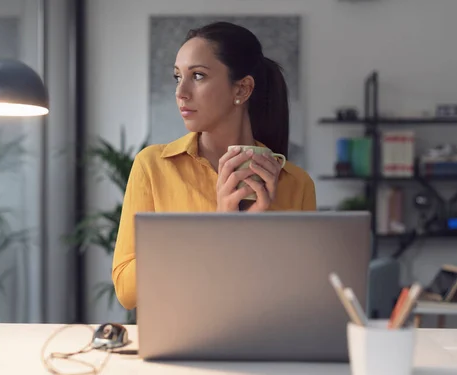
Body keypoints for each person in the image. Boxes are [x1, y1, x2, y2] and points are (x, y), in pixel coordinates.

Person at [112, 21, 316, 310]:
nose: (181, 92)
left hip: (263, 343)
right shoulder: (153, 167)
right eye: (177, 77)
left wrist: (258, 232)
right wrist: (216, 226)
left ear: (243, 89)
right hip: (178, 344)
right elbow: (127, 291)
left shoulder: (296, 183)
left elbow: (303, 300)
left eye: (197, 76)